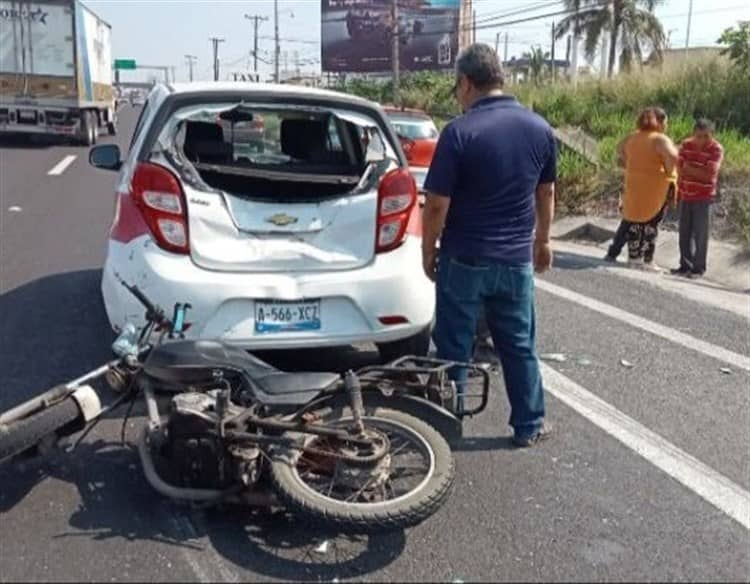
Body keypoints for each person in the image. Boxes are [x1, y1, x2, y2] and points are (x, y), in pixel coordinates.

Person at [421, 43, 556, 448]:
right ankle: (529, 425)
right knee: (518, 344)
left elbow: (437, 204)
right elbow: (546, 192)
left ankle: (450, 427)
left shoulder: (460, 131)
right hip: (516, 261)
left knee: (454, 345)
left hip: (465, 258)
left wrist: (428, 251)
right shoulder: (539, 128)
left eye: (456, 88)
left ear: (465, 82)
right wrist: (543, 242)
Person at [617, 107, 678, 271]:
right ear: (660, 122)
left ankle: (633, 258)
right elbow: (673, 157)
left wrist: (631, 163)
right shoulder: (660, 139)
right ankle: (646, 260)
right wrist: (668, 168)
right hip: (655, 187)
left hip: (634, 184)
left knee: (634, 221)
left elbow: (619, 150)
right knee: (652, 222)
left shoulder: (632, 138)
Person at [671, 119, 724, 279]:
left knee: (701, 233)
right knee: (684, 232)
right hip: (686, 193)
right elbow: (679, 168)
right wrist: (693, 171)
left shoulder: (716, 149)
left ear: (712, 135)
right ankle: (684, 265)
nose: (701, 140)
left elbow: (709, 174)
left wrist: (689, 169)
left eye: (705, 136)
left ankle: (698, 268)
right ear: (693, 134)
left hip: (704, 196)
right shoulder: (686, 145)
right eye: (698, 136)